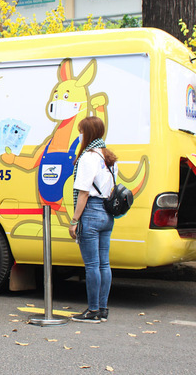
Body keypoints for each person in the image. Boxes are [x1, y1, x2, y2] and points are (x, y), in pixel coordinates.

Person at [68, 116, 117, 323]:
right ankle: (103, 309)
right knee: (104, 264)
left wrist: (74, 220)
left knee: (92, 265)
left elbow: (83, 193)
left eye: (80, 131)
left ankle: (93, 311)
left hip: (91, 212)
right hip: (107, 214)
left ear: (87, 133)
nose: (79, 135)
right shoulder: (109, 157)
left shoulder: (88, 157)